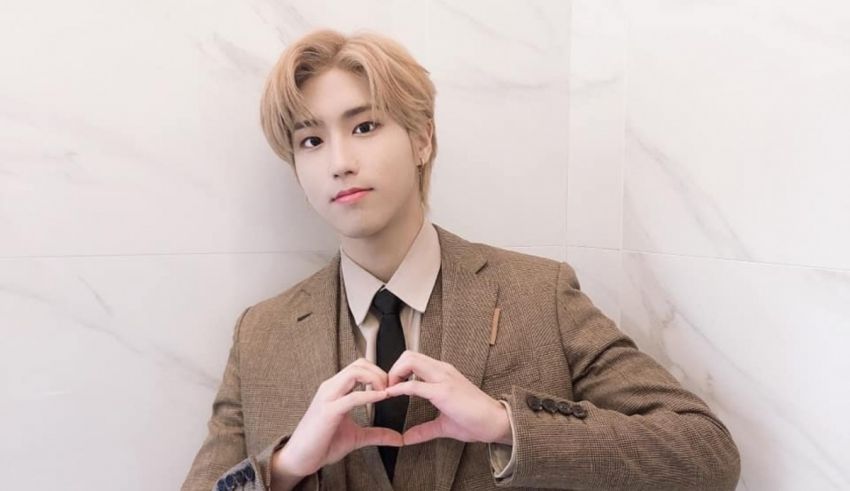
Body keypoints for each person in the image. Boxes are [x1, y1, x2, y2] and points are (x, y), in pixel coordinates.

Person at [181, 29, 741, 491]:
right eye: (311, 140)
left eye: (365, 126)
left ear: (422, 139)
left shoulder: (537, 294)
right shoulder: (262, 335)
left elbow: (706, 454)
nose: (340, 161)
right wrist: (283, 468)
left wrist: (507, 426)